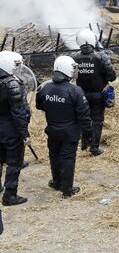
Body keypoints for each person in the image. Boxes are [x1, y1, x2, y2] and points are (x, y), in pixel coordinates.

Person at [36, 56, 93, 199]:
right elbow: (84, 115)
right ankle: (67, 189)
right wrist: (89, 134)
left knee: (54, 155)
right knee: (68, 158)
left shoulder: (46, 88)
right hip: (70, 131)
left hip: (52, 129)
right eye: (73, 68)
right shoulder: (75, 91)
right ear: (67, 70)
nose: (75, 71)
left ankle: (57, 182)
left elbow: (39, 105)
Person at [73, 29, 117, 156]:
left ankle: (84, 144)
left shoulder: (74, 58)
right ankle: (94, 148)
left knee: (83, 119)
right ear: (93, 40)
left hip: (80, 95)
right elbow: (112, 77)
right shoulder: (101, 56)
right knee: (97, 121)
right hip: (98, 95)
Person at [0, 51, 30, 206]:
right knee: (14, 162)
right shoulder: (12, 84)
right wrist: (25, 134)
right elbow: (18, 112)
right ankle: (10, 195)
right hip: (10, 128)